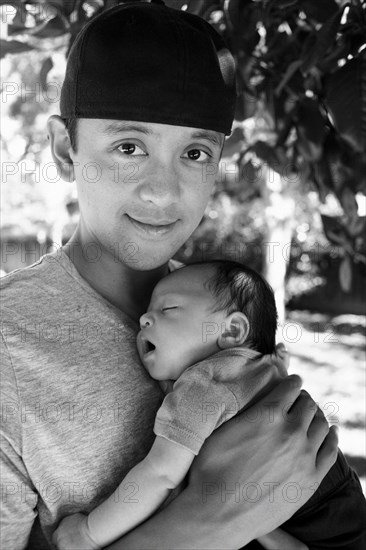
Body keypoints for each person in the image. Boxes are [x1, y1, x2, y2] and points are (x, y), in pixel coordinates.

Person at [0, 2, 342, 549]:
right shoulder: (9, 345)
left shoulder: (223, 314)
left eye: (195, 152)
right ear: (66, 149)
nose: (163, 191)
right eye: (129, 148)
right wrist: (203, 526)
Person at [52, 260, 366, 550]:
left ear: (231, 330)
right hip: (334, 495)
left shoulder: (204, 383)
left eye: (169, 308)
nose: (145, 318)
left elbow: (161, 475)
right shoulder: (256, 368)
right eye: (148, 312)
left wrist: (88, 534)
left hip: (312, 507)